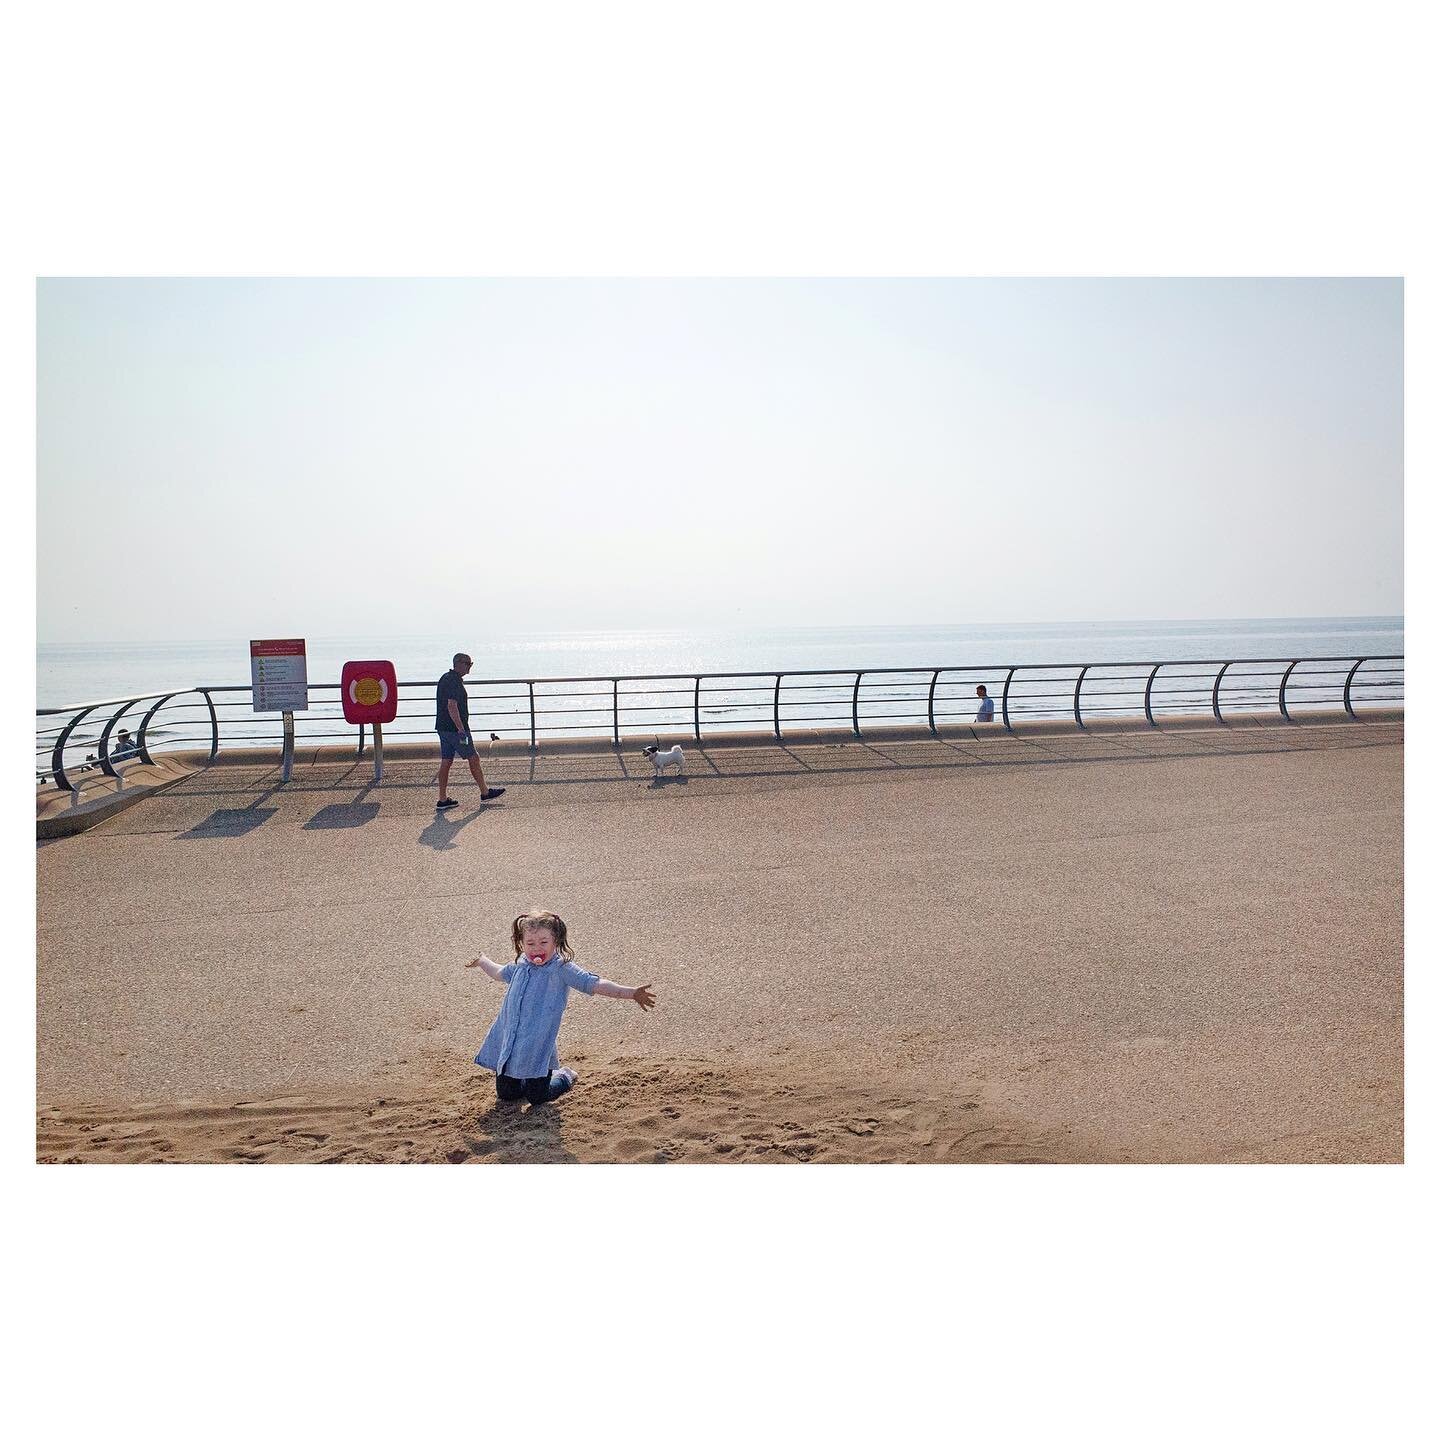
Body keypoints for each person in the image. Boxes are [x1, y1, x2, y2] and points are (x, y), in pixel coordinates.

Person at [466, 909, 655, 1104]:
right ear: (521, 943)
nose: (536, 948)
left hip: (538, 1046)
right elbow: (499, 972)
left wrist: (631, 992)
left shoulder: (561, 968)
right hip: (511, 1042)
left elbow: (594, 984)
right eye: (530, 943)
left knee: (537, 1098)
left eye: (543, 942)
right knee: (507, 1094)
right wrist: (482, 961)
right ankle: (521, 1074)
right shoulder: (521, 965)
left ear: (556, 941)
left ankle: (564, 1076)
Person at [435, 651, 504, 809]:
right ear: (458, 663)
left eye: (471, 664)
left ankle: (442, 799)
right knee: (474, 758)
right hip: (454, 730)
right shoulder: (454, 681)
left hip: (443, 728)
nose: (470, 667)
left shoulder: (445, 678)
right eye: (468, 664)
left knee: (446, 761)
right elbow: (452, 706)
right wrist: (461, 729)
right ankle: (485, 792)